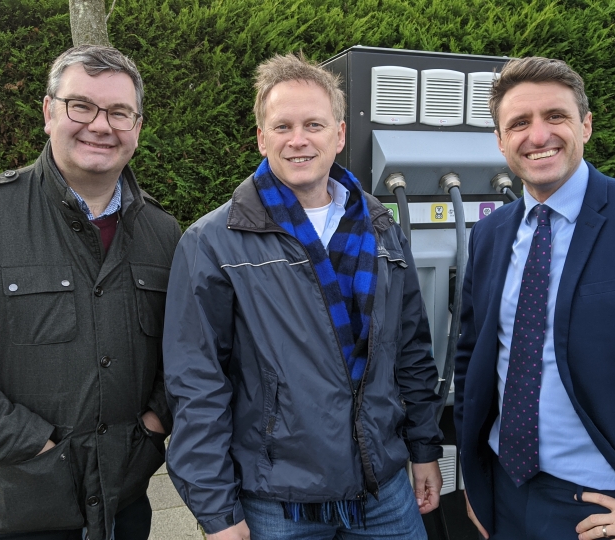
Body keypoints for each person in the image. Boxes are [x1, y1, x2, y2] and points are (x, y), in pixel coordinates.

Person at [0, 45, 181, 540]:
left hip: (123, 507)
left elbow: (185, 350)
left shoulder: (164, 234)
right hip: (7, 513)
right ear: (49, 112)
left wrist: (154, 424)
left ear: (137, 125)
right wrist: (31, 443)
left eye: (119, 112)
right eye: (81, 105)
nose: (100, 125)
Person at [162, 53, 444, 540]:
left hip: (384, 489)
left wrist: (424, 449)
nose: (298, 139)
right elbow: (197, 385)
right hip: (277, 503)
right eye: (283, 126)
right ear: (261, 137)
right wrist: (218, 512)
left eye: (314, 124)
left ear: (338, 135)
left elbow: (411, 349)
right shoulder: (213, 242)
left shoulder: (380, 229)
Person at [453, 56, 615, 540]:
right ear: (499, 140)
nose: (538, 136)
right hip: (506, 496)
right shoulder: (490, 234)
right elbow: (472, 360)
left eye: (555, 116)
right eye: (519, 123)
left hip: (611, 508)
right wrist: (475, 480)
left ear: (586, 125)